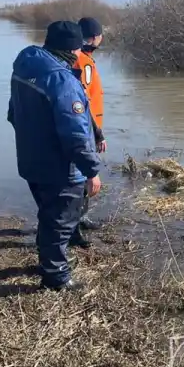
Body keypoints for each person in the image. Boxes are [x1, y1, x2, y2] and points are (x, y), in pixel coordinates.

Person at [7, 20, 103, 291]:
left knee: (49, 215)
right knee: (59, 222)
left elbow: (13, 114)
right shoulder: (61, 80)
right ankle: (56, 276)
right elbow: (75, 135)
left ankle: (49, 260)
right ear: (73, 50)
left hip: (30, 159)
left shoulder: (26, 66)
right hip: (59, 167)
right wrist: (92, 171)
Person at [72, 16, 106, 237]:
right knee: (80, 177)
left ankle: (79, 217)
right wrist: (98, 134)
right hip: (85, 129)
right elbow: (82, 102)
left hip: (85, 127)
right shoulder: (83, 62)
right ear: (95, 37)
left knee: (80, 176)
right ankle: (73, 225)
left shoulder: (81, 59)